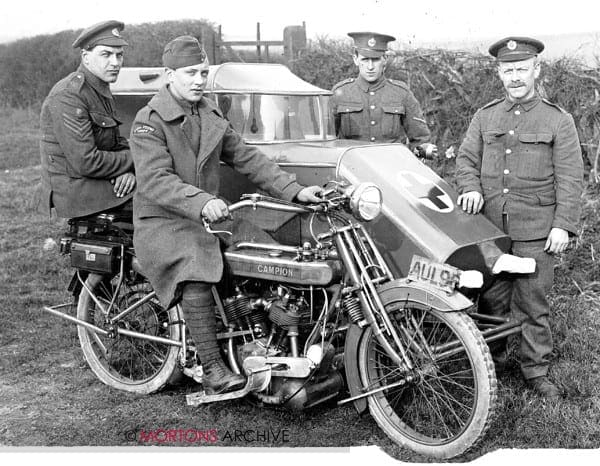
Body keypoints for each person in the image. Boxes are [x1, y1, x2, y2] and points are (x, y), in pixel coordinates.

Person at [129, 36, 323, 394]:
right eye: (190, 73)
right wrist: (201, 201)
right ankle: (213, 367)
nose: (199, 80)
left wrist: (294, 190)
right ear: (170, 75)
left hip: (209, 214)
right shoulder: (150, 121)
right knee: (197, 267)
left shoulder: (209, 112)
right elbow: (155, 180)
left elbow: (247, 157)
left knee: (267, 250)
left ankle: (271, 339)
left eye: (203, 72)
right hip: (165, 219)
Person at [456, 37, 584, 398]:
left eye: (521, 69)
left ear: (536, 69)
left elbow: (571, 178)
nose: (515, 77)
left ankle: (535, 372)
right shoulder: (485, 116)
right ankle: (489, 364)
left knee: (532, 303)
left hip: (536, 230)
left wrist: (563, 225)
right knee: (490, 302)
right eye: (508, 70)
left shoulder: (558, 120)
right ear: (499, 73)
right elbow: (466, 160)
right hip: (491, 229)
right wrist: (470, 187)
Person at [39, 20, 135, 219]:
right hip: (76, 189)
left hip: (97, 180)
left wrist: (130, 170)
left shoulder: (99, 89)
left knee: (162, 183)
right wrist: (138, 159)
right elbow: (86, 162)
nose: (115, 62)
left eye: (119, 55)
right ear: (86, 57)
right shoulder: (69, 95)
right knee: (159, 195)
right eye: (106, 54)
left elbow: (115, 144)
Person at [331, 31, 436, 156]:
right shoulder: (340, 93)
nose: (370, 67)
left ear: (385, 59)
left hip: (391, 168)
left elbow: (420, 139)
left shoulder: (401, 93)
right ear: (356, 59)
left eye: (375, 60)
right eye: (365, 59)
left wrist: (424, 150)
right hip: (352, 169)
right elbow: (327, 141)